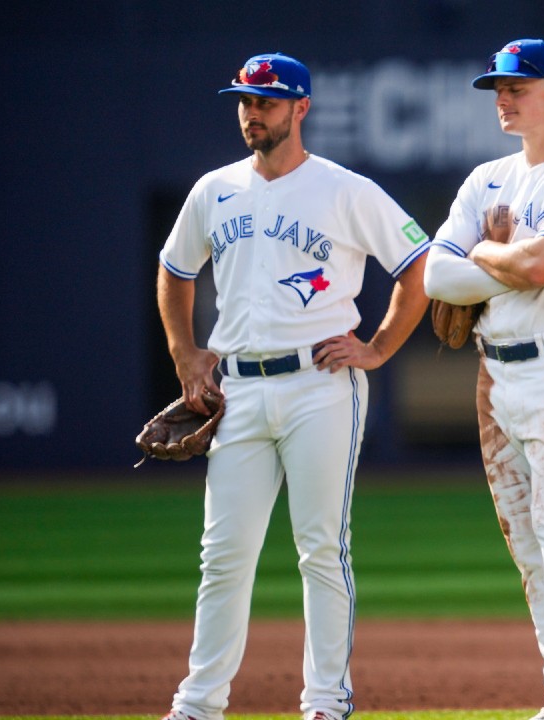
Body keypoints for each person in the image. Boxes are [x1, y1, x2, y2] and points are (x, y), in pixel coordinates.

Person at [156, 52, 429, 720]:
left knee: (321, 549)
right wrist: (185, 353)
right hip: (239, 389)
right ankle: (197, 704)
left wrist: (378, 347)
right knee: (223, 555)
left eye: (268, 102)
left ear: (301, 108)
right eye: (245, 102)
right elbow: (174, 270)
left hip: (320, 383)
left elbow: (418, 266)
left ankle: (326, 703)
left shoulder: (344, 189)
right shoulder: (215, 189)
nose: (253, 113)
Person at [421, 38, 544, 720]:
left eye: (517, 86)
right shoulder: (486, 178)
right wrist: (505, 259)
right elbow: (433, 275)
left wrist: (483, 250)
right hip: (495, 373)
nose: (502, 98)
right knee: (528, 545)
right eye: (497, 88)